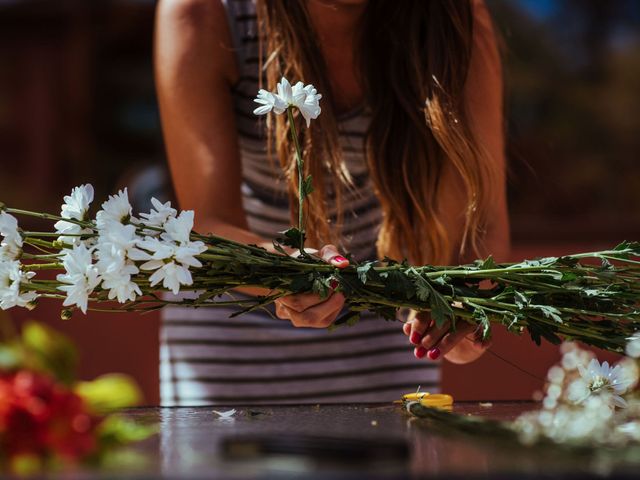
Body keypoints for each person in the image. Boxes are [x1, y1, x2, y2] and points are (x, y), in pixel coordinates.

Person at [154, 0, 510, 406]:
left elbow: (481, 221)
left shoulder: (454, 17)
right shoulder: (203, 13)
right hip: (229, 333)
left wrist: (466, 306)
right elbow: (208, 221)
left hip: (384, 321)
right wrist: (290, 272)